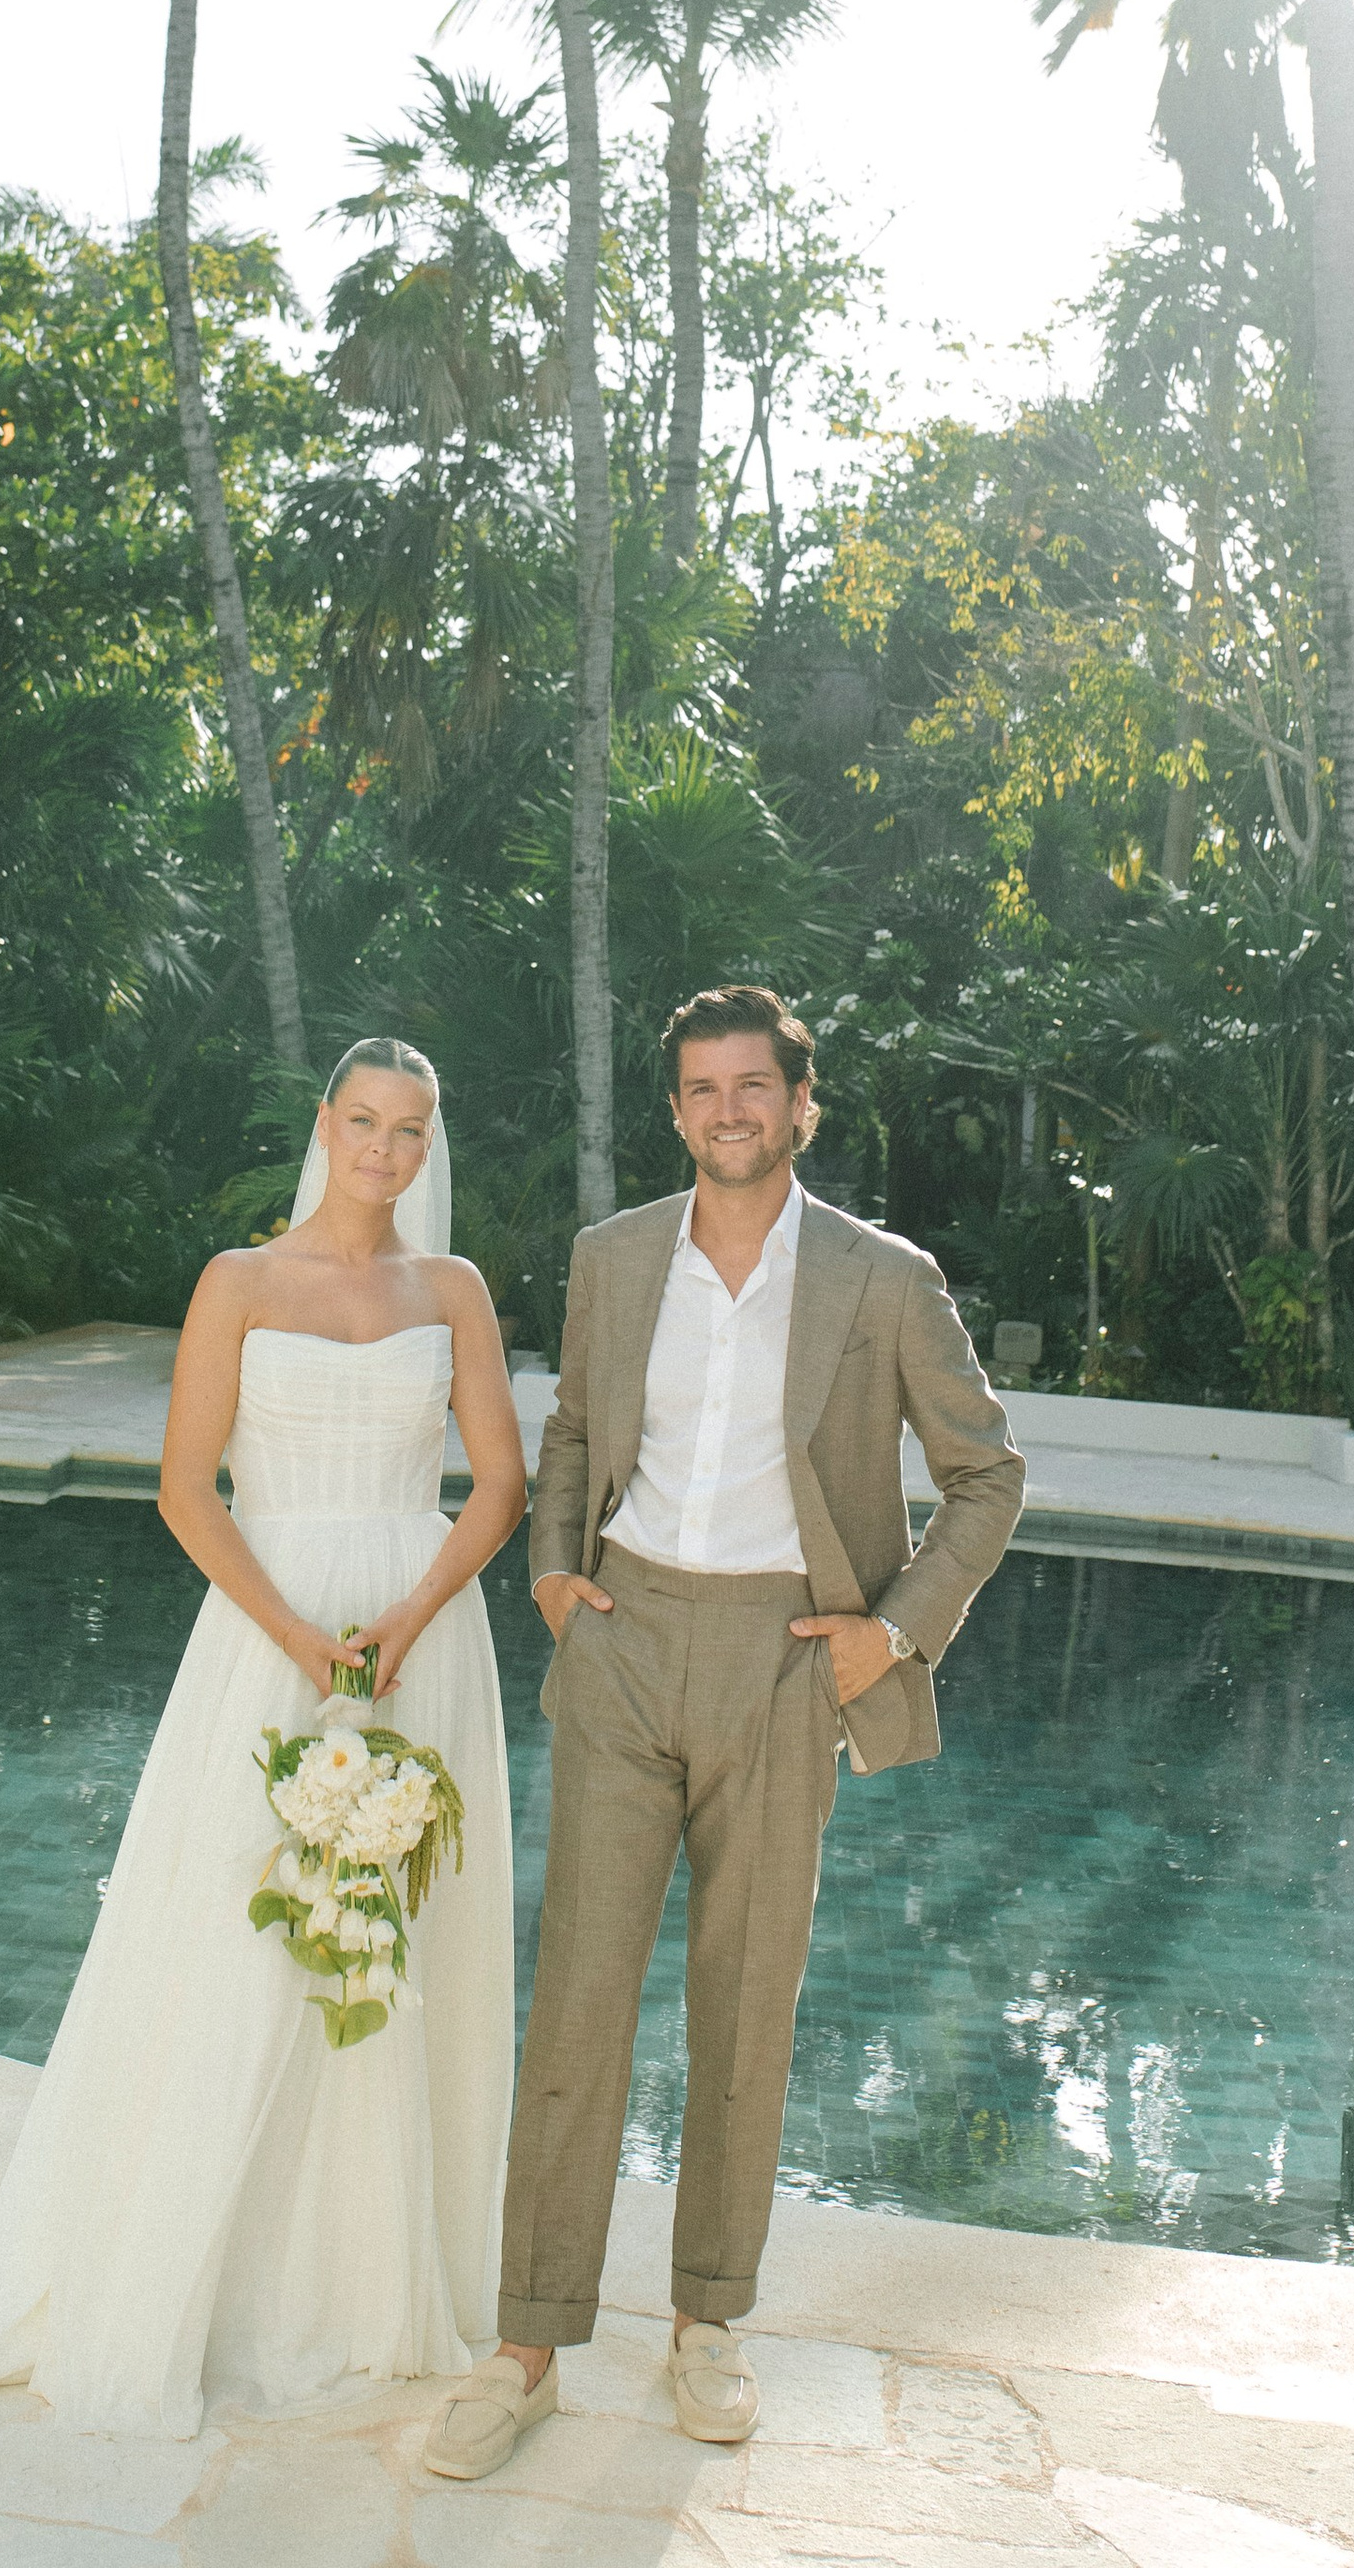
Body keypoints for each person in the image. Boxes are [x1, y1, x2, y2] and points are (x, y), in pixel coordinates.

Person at [0, 1037, 524, 2439]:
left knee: (402, 1941)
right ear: (326, 1127)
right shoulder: (238, 1282)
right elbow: (187, 1490)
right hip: (269, 1647)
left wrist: (406, 1616)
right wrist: (299, 1635)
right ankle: (186, 2267)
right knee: (239, 1942)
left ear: (430, 1145)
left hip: (422, 1641)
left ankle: (373, 2282)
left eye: (412, 1130)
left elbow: (499, 1482)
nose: (386, 1150)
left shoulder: (452, 1293)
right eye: (366, 1122)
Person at [426, 982, 1024, 2484]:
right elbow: (568, 1434)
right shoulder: (616, 1258)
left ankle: (706, 2325)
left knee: (745, 2007)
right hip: (623, 1643)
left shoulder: (885, 1281)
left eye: (753, 1086)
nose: (728, 1111)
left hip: (782, 1656)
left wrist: (893, 1633)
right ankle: (528, 2346)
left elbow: (988, 1475)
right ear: (678, 1110)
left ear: (800, 1103)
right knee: (579, 2001)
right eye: (701, 1090)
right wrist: (558, 1575)